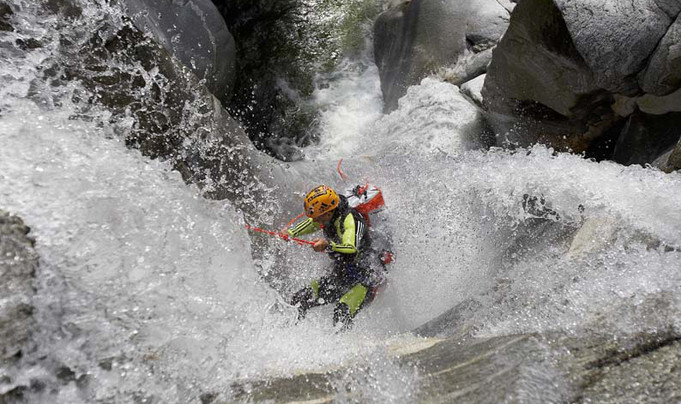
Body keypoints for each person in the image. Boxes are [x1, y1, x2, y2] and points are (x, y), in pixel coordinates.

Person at [283, 185, 384, 329]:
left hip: (366, 279)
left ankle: (346, 347)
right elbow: (312, 223)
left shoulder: (351, 220)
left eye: (318, 218)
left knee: (342, 312)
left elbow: (351, 249)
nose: (316, 221)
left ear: (328, 213)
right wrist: (291, 233)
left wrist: (327, 246)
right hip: (342, 275)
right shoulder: (328, 216)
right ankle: (289, 334)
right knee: (300, 299)